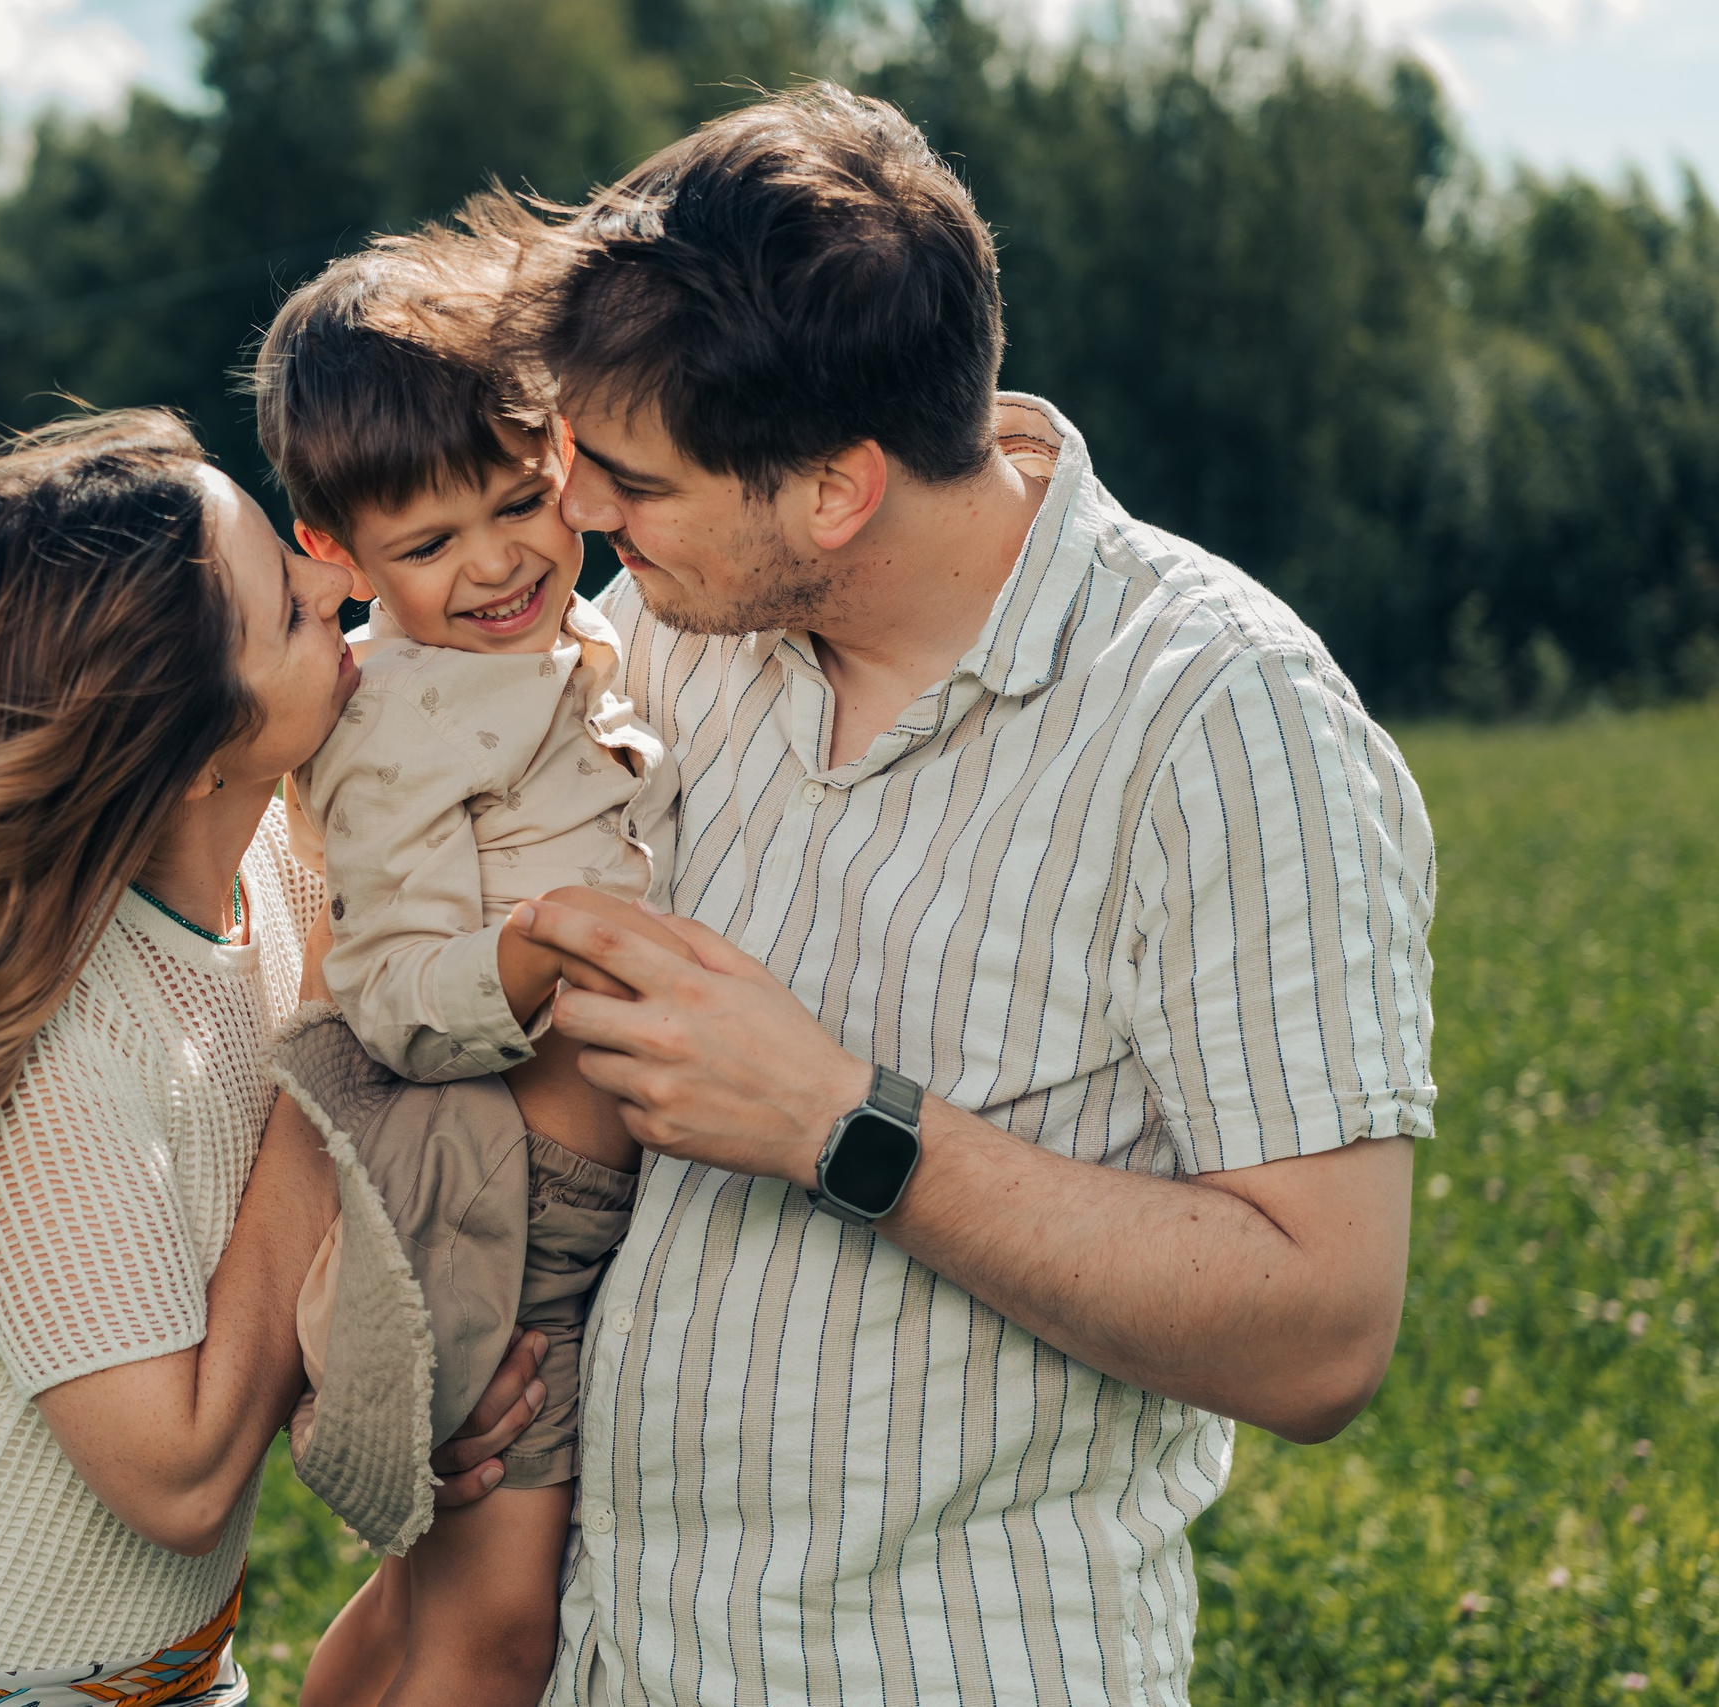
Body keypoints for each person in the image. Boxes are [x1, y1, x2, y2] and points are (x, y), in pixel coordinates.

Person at [483, 86, 1434, 1706]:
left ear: (838, 490)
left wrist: (842, 1124)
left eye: (630, 478)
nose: (578, 512)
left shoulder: (1225, 722)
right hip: (611, 1665)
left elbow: (1322, 1330)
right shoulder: (656, 638)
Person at [0, 410, 546, 1707]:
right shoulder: (40, 1040)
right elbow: (175, 1475)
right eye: (288, 611)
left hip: (162, 1681)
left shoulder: (275, 875)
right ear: (181, 750)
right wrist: (333, 1060)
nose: (335, 577)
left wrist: (397, 1403)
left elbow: (263, 1281)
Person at [243, 237, 692, 1707]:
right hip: (517, 1202)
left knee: (422, 1601)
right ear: (335, 555)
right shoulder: (395, 724)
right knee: (498, 1634)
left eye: (520, 504)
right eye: (430, 547)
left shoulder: (550, 643)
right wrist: (516, 957)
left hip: (557, 1183)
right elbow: (388, 989)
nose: (497, 563)